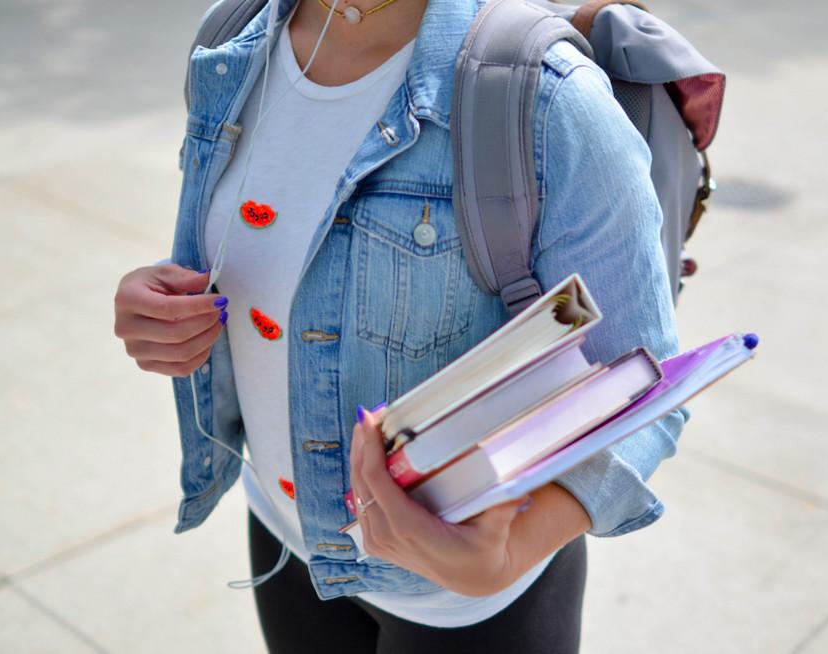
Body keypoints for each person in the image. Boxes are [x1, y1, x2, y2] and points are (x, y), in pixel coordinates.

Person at [113, 0, 686, 651]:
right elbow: (264, 250)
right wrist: (162, 304)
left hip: (471, 608)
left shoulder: (548, 100)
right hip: (285, 537)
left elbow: (644, 385)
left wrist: (505, 555)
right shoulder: (230, 42)